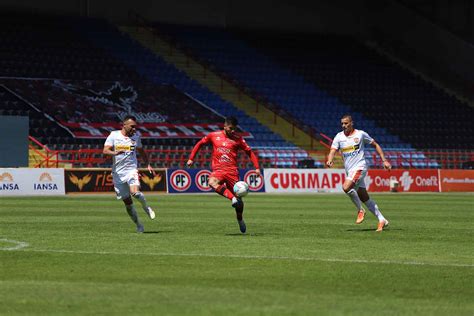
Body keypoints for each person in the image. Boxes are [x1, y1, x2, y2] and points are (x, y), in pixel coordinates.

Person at [186, 116, 261, 233]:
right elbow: (200, 144)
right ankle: (232, 199)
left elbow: (249, 152)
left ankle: (240, 219)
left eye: (234, 129)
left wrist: (257, 168)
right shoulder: (213, 135)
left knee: (239, 202)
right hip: (218, 170)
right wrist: (191, 158)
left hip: (232, 172)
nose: (233, 131)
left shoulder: (238, 139)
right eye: (231, 128)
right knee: (211, 182)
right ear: (224, 126)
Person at [326, 114, 391, 232]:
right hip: (350, 170)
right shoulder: (339, 137)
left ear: (352, 123)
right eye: (342, 123)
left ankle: (360, 210)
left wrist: (384, 160)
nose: (343, 126)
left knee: (346, 187)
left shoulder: (360, 134)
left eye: (346, 123)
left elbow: (375, 144)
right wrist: (330, 159)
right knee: (364, 197)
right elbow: (332, 150)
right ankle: (382, 220)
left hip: (360, 167)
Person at [103, 115, 156, 233]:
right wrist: (115, 152)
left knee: (135, 192)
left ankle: (146, 207)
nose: (134, 129)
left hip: (131, 170)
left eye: (135, 127)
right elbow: (105, 150)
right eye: (132, 126)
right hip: (118, 173)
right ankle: (139, 225)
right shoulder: (114, 135)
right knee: (128, 203)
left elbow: (142, 151)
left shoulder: (136, 137)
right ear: (124, 125)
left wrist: (147, 164)